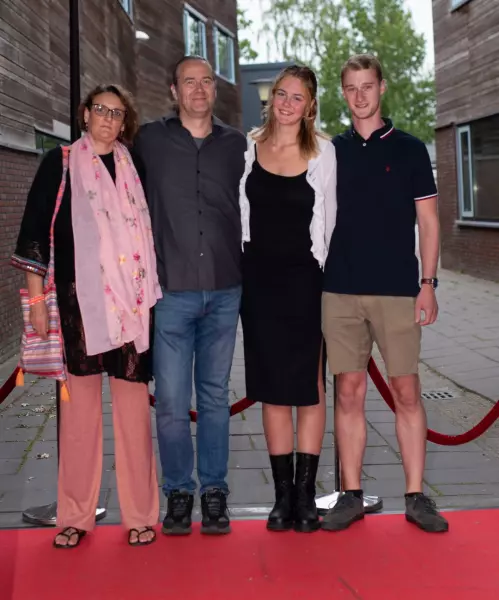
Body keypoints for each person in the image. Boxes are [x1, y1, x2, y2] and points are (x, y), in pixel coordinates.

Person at [12, 84, 161, 548]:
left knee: (135, 417)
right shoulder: (58, 164)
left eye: (117, 113)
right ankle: (75, 515)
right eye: (101, 110)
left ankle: (141, 515)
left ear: (125, 121)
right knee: (78, 419)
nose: (108, 120)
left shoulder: (134, 166)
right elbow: (34, 234)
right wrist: (37, 302)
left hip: (131, 309)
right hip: (79, 307)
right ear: (85, 114)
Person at [321, 54, 448, 533]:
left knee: (406, 391)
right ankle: (351, 494)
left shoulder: (411, 150)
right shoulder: (330, 152)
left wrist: (428, 284)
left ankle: (415, 496)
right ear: (343, 93)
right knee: (348, 392)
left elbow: (429, 222)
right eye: (351, 87)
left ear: (382, 87)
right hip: (340, 290)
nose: (359, 96)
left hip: (398, 290)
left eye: (367, 86)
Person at [133, 56, 246, 536]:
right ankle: (178, 492)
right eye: (189, 82)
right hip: (171, 290)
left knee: (216, 397)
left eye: (206, 82)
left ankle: (214, 491)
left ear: (214, 90)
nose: (199, 90)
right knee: (172, 402)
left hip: (225, 288)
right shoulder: (148, 141)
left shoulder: (238, 145)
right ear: (174, 91)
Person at [239, 65, 337, 533]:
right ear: (271, 97)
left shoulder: (323, 152)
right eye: (282, 93)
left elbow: (331, 221)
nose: (287, 103)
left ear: (310, 105)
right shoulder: (248, 148)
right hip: (258, 281)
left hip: (306, 282)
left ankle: (305, 494)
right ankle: (281, 497)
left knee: (309, 386)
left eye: (298, 97)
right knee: (273, 387)